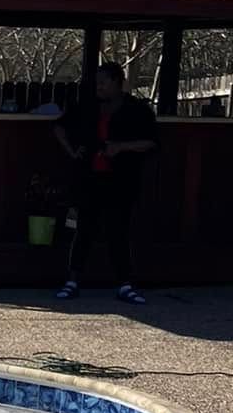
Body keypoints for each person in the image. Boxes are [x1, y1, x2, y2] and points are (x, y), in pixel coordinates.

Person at [53, 61, 158, 305]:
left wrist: (121, 147)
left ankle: (124, 283)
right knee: (83, 230)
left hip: (120, 179)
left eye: (103, 82)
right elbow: (59, 126)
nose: (98, 87)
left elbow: (151, 142)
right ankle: (73, 280)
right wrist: (71, 151)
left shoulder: (136, 109)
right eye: (96, 82)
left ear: (117, 82)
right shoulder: (87, 107)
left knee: (118, 231)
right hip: (89, 177)